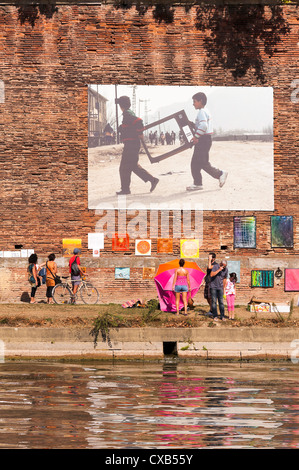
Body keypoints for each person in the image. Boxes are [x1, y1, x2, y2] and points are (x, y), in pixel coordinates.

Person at [115, 95, 159, 195]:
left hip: (131, 145)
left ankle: (126, 189)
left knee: (124, 167)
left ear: (121, 105)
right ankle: (152, 180)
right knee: (132, 166)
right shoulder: (128, 113)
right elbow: (130, 126)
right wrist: (122, 128)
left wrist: (140, 133)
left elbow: (139, 121)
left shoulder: (127, 113)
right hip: (132, 144)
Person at [186, 92, 228, 192]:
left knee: (201, 163)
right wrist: (193, 125)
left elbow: (204, 126)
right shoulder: (205, 111)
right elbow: (202, 125)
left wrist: (196, 137)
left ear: (200, 101)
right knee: (196, 163)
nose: (193, 104)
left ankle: (220, 174)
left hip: (203, 140)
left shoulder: (201, 112)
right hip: (205, 140)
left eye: (194, 101)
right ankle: (198, 183)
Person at [210, 256, 228, 321]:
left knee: (221, 302)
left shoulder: (226, 269)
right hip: (213, 287)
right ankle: (215, 316)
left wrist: (224, 288)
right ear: (221, 264)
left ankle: (222, 316)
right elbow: (211, 275)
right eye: (223, 266)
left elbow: (225, 278)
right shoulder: (215, 266)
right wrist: (219, 270)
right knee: (214, 302)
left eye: (225, 266)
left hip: (220, 287)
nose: (224, 268)